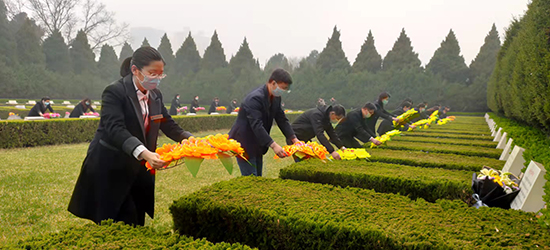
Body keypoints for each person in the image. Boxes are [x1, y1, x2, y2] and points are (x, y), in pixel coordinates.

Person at [68, 47, 194, 226]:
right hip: (112, 166)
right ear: (135, 70)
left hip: (138, 169)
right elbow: (115, 129)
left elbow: (166, 122)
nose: (157, 79)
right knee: (115, 221)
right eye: (152, 73)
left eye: (161, 75)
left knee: (137, 219)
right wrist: (144, 152)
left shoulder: (155, 95)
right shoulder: (115, 92)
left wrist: (188, 138)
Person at [228, 68, 299, 176]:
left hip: (258, 142)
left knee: (258, 177)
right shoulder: (254, 99)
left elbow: (281, 119)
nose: (283, 91)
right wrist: (274, 145)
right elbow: (257, 125)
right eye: (282, 88)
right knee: (251, 179)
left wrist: (294, 139)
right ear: (273, 83)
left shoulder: (275, 98)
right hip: (244, 142)